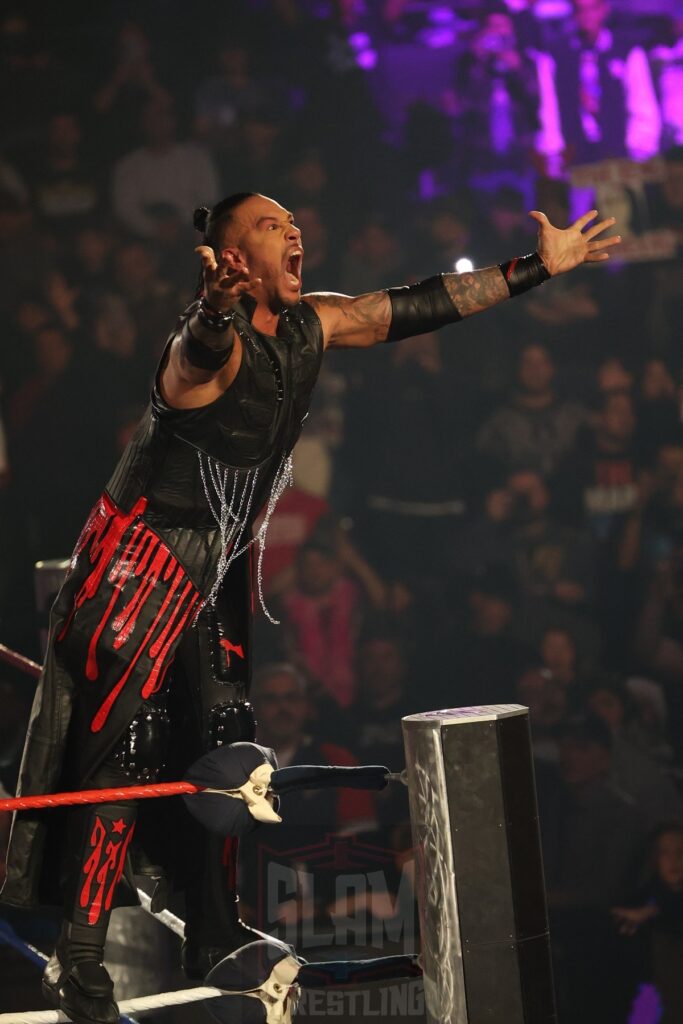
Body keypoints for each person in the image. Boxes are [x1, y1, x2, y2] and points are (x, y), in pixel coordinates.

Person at [0, 190, 620, 1023]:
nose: (293, 232)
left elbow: (405, 307)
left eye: (294, 223)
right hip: (135, 561)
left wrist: (536, 268)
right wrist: (212, 312)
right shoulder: (204, 350)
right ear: (233, 260)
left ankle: (213, 932)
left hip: (213, 559)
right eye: (269, 226)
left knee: (225, 744)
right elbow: (194, 356)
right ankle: (76, 960)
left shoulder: (311, 324)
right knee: (126, 748)